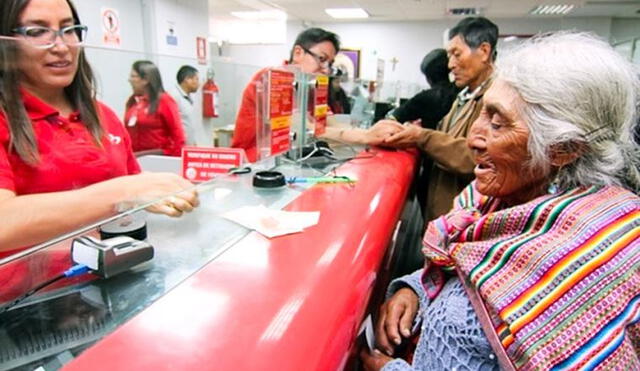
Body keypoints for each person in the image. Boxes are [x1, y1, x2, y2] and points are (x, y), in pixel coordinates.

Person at [361, 32, 640, 370]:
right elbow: (466, 267)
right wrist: (416, 289)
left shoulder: (592, 252)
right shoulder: (495, 200)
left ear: (564, 149)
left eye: (496, 123)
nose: (473, 139)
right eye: (481, 113)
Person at [0, 0, 198, 254]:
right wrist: (124, 191)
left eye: (69, 29)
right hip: (32, 289)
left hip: (112, 274)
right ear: (8, 44)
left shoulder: (102, 116)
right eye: (37, 32)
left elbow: (130, 184)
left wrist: (165, 188)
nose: (61, 46)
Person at [374, 17, 498, 222]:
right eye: (449, 56)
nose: (451, 65)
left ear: (484, 51)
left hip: (466, 221)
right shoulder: (464, 96)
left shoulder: (496, 99)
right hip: (444, 215)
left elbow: (478, 158)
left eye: (457, 55)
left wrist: (422, 137)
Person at [384, 48, 460, 218]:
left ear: (427, 75)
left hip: (431, 163)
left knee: (429, 215)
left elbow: (392, 117)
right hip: (453, 168)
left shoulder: (426, 97)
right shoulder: (460, 94)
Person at [386, 48, 459, 131]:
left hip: (429, 142)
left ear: (428, 77)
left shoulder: (423, 98)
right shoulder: (459, 92)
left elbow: (393, 118)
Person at [125, 60, 185, 156]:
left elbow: (178, 135)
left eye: (133, 76)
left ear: (145, 80)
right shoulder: (132, 101)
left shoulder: (164, 101)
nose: (129, 80)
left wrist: (176, 160)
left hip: (159, 157)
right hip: (135, 158)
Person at [170, 65, 200, 146]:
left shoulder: (188, 97)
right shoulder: (173, 96)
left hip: (188, 147)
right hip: (178, 148)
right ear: (187, 79)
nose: (198, 83)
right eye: (196, 79)